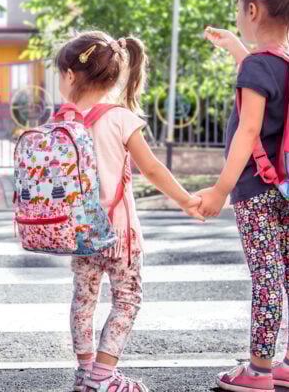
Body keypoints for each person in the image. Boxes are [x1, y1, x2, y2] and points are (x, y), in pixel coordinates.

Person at [198, 0, 289, 391]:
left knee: (266, 277)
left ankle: (258, 370)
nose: (239, 15)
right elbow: (269, 89)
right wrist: (240, 51)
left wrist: (221, 188)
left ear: (253, 10)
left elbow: (250, 129)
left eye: (240, 8)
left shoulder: (258, 68)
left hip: (256, 190)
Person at [55, 31, 205, 392]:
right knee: (127, 298)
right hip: (120, 233)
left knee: (84, 299)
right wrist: (186, 199)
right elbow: (152, 169)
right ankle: (105, 376)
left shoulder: (63, 120)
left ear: (71, 76)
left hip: (81, 233)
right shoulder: (121, 118)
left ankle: (85, 373)